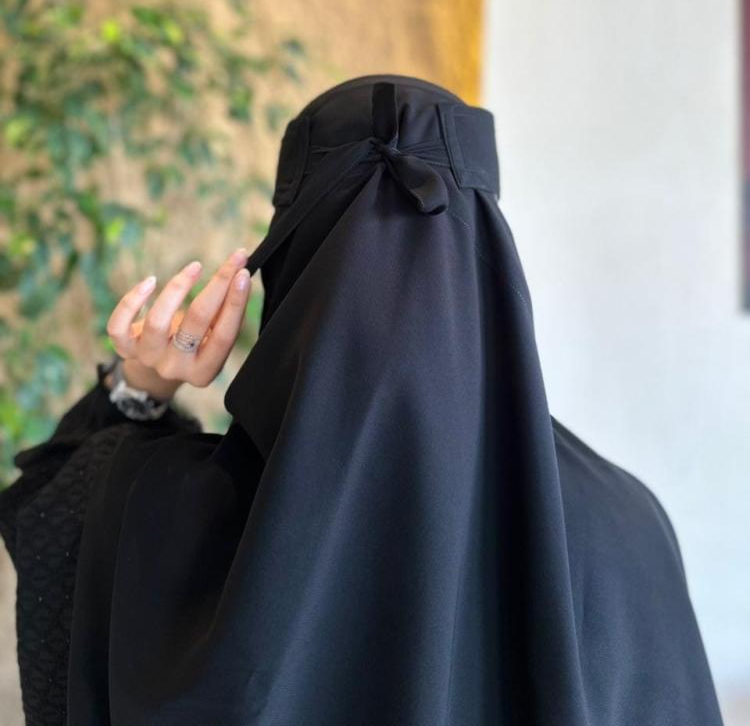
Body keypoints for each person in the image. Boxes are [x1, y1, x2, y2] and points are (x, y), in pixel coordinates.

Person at [0, 73, 724, 726]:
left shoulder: (150, 509)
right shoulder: (629, 528)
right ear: (493, 254)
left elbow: (49, 516)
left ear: (290, 258)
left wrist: (143, 382)